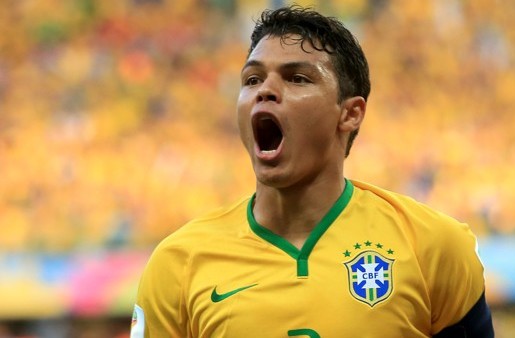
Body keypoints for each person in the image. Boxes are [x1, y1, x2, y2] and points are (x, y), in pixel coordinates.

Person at [131, 5, 494, 338]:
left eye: (297, 78)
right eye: (252, 79)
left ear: (350, 113)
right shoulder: (177, 264)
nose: (266, 91)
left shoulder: (432, 245)